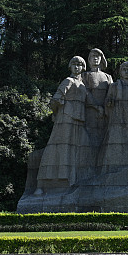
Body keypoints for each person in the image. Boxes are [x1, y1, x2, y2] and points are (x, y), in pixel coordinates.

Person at [36, 56, 98, 192]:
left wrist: (100, 109)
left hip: (78, 120)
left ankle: (71, 180)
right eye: (74, 64)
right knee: (60, 149)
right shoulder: (68, 81)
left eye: (80, 65)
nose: (77, 67)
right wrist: (57, 113)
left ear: (83, 67)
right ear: (70, 66)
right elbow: (55, 99)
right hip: (66, 119)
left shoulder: (82, 84)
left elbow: (90, 101)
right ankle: (43, 184)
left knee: (76, 150)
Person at [98, 61, 128, 182]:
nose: (126, 72)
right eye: (124, 69)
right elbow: (107, 101)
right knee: (114, 144)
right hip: (117, 119)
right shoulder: (115, 85)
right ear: (120, 72)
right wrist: (109, 103)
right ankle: (112, 171)